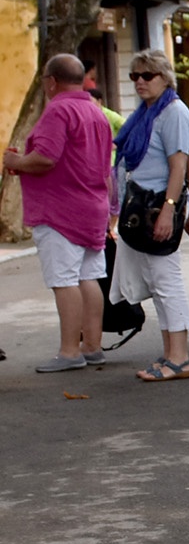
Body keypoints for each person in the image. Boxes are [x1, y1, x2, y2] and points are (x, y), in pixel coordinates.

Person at [5, 54, 113, 373]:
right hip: (93, 203)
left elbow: (46, 158)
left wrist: (16, 162)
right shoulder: (95, 111)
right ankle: (92, 345)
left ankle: (69, 351)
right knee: (89, 277)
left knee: (65, 280)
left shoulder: (58, 110)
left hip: (60, 209)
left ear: (51, 81)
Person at [114, 47, 189, 382]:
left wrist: (169, 209)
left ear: (165, 78)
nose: (140, 81)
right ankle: (169, 353)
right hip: (140, 204)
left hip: (158, 205)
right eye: (135, 75)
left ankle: (180, 357)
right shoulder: (145, 113)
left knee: (166, 281)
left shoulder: (173, 112)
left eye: (147, 75)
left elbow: (179, 166)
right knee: (155, 280)